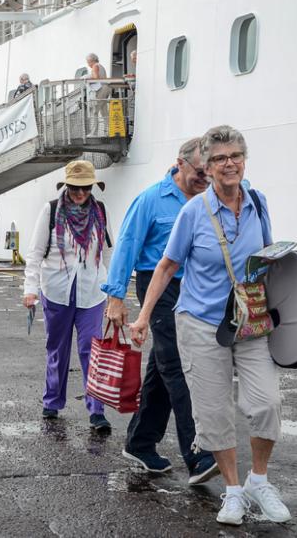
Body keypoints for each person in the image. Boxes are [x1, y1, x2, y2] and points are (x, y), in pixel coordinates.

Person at [129, 126, 289, 526]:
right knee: (213, 411)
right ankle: (233, 491)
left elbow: (266, 259)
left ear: (244, 160)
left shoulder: (258, 202)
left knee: (266, 402)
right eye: (219, 159)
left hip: (248, 320)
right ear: (207, 166)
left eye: (235, 155)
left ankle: (259, 481)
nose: (228, 163)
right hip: (200, 322)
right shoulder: (192, 212)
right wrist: (144, 315)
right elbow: (166, 266)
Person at [102, 138, 218, 484]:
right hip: (160, 286)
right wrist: (116, 297)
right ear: (180, 163)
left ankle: (140, 442)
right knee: (179, 365)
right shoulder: (152, 200)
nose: (204, 178)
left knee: (161, 369)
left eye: (207, 173)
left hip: (197, 289)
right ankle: (199, 453)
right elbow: (126, 245)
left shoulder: (208, 199)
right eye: (200, 172)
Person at [22, 160, 112, 431]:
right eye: (75, 188)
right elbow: (36, 253)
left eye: (85, 188)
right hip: (57, 290)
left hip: (92, 292)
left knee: (91, 350)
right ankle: (52, 400)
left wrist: (113, 290)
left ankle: (96, 410)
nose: (80, 194)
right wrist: (30, 289)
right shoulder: (51, 210)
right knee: (58, 349)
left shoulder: (100, 211)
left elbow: (107, 251)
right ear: (67, 186)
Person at [86, 53, 110, 135]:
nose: (88, 64)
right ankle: (108, 131)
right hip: (106, 88)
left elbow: (96, 78)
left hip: (101, 89)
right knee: (104, 111)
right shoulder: (101, 66)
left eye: (88, 62)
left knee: (94, 111)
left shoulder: (95, 66)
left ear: (91, 61)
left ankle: (94, 132)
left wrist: (87, 78)